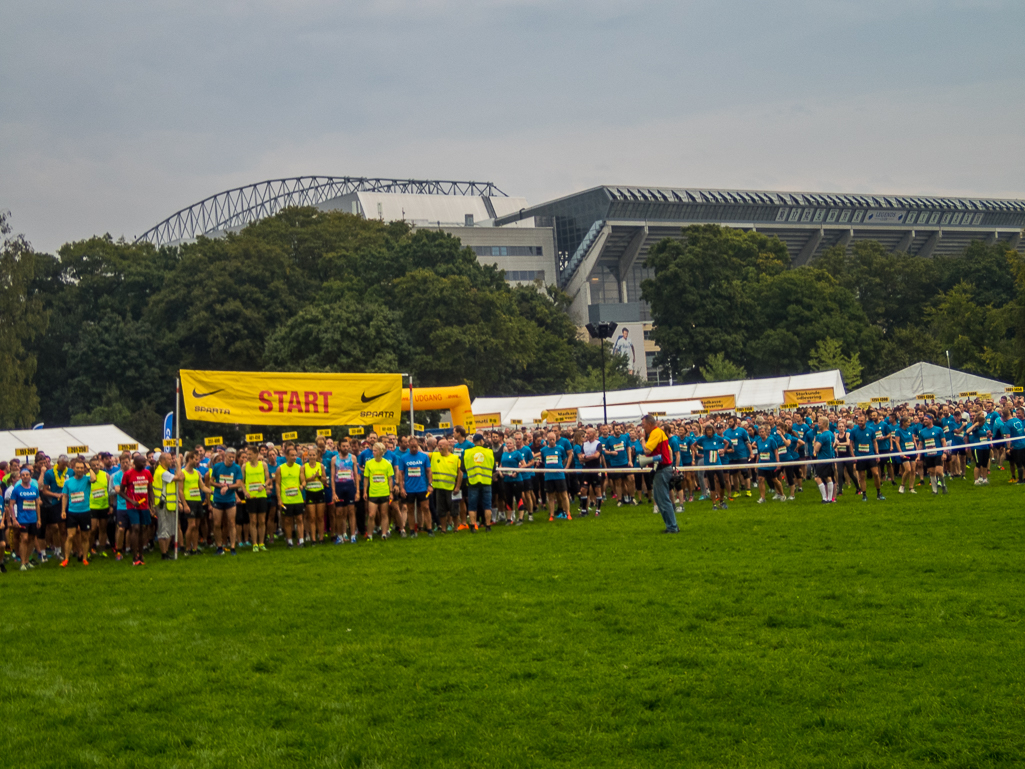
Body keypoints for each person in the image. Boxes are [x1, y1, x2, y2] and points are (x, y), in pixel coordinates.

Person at [639, 414, 678, 533]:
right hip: (662, 468)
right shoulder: (659, 433)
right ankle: (670, 525)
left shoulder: (655, 433)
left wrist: (642, 440)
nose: (642, 427)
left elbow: (647, 450)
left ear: (650, 424)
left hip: (661, 469)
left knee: (663, 499)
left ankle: (672, 527)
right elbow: (669, 450)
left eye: (643, 424)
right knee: (659, 497)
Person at [119, 453, 153, 567]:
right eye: (141, 462)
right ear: (135, 463)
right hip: (132, 506)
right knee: (135, 528)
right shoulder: (128, 474)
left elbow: (150, 489)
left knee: (143, 529)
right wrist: (131, 501)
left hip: (144, 506)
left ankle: (141, 554)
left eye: (144, 462)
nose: (144, 464)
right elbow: (121, 491)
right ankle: (134, 556)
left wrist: (151, 505)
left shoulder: (147, 473)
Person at [208, 448, 243, 555]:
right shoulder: (218, 466)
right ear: (225, 456)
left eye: (233, 457)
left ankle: (232, 547)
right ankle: (219, 547)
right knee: (217, 523)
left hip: (230, 498)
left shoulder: (236, 468)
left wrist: (227, 487)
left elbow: (238, 484)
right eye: (229, 457)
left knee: (232, 523)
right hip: (218, 498)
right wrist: (219, 485)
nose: (231, 459)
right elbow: (211, 481)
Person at [61, 458, 94, 567]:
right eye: (77, 468)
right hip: (72, 512)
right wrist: (63, 511)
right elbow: (65, 496)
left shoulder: (87, 479)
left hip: (85, 511)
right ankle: (66, 559)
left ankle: (85, 558)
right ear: (73, 468)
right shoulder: (68, 481)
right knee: (70, 536)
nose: (79, 470)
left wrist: (89, 468)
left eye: (81, 468)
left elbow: (94, 479)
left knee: (85, 536)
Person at [151, 451, 183, 560]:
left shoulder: (164, 471)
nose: (172, 461)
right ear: (163, 460)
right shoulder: (162, 472)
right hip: (163, 504)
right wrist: (179, 465)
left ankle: (166, 552)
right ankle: (164, 554)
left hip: (169, 504)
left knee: (169, 529)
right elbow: (179, 477)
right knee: (163, 530)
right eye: (170, 459)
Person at [397, 437, 431, 537]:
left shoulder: (424, 457)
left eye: (415, 447)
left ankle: (429, 529)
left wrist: (430, 484)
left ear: (418, 446)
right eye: (412, 447)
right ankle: (412, 531)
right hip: (409, 488)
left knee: (426, 508)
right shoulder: (404, 458)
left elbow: (428, 471)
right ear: (409, 446)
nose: (414, 449)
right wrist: (402, 488)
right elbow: (401, 473)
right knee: (410, 509)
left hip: (422, 488)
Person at [7, 466, 39, 571]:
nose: (25, 477)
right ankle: (22, 562)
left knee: (31, 539)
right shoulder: (16, 490)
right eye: (23, 475)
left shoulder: (34, 489)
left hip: (33, 518)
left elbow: (37, 504)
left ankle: (27, 560)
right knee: (24, 538)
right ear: (20, 477)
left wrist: (39, 519)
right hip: (22, 518)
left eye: (27, 475)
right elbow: (11, 505)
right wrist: (14, 519)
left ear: (30, 476)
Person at [363, 442, 395, 541]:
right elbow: (366, 478)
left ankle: (384, 534)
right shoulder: (369, 463)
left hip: (384, 492)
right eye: (373, 450)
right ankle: (370, 535)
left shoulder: (387, 464)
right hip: (373, 493)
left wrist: (390, 492)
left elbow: (390, 479)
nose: (373, 452)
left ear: (381, 452)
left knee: (384, 514)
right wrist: (365, 491)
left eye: (375, 450)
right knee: (371, 514)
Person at [463, 433, 496, 531]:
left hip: (473, 481)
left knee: (472, 505)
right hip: (486, 481)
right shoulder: (489, 452)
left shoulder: (467, 452)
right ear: (482, 441)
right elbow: (494, 468)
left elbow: (463, 468)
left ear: (473, 442)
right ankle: (487, 526)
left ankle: (473, 526)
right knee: (487, 505)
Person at [850, 414, 886, 502]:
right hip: (859, 456)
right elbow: (851, 443)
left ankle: (879, 493)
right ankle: (864, 495)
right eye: (858, 421)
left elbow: (874, 442)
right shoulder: (854, 431)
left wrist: (877, 454)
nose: (859, 423)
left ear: (865, 421)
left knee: (876, 474)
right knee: (862, 476)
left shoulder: (871, 430)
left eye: (861, 421)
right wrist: (853, 455)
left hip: (870, 455)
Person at [539, 431, 572, 523]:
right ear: (547, 440)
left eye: (553, 439)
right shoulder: (544, 450)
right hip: (549, 476)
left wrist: (561, 467)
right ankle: (551, 515)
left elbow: (565, 459)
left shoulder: (560, 448)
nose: (552, 441)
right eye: (550, 440)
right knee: (550, 496)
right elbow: (543, 460)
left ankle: (568, 513)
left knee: (564, 495)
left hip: (559, 475)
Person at [182, 451, 211, 555]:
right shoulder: (182, 473)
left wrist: (211, 491)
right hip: (189, 501)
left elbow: (202, 486)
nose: (197, 461)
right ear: (189, 459)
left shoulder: (197, 472)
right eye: (195, 459)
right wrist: (184, 504)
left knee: (197, 525)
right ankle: (187, 548)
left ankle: (195, 548)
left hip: (197, 500)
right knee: (191, 525)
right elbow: (180, 490)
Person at [242, 446, 270, 553]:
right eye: (247, 454)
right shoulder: (245, 466)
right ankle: (254, 544)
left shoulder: (263, 465)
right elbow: (242, 481)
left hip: (261, 495)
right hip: (251, 496)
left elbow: (268, 479)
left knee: (262, 521)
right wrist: (245, 492)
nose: (248, 456)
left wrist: (263, 485)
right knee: (253, 521)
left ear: (256, 454)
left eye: (249, 454)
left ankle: (261, 543)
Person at [331, 438, 359, 543]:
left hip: (350, 485)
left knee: (351, 512)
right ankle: (340, 536)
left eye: (347, 446)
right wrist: (333, 493)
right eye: (344, 446)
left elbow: (356, 475)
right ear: (339, 447)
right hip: (339, 486)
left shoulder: (353, 458)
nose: (346, 448)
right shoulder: (334, 459)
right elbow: (333, 476)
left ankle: (353, 536)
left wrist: (357, 491)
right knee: (339, 512)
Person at [430, 439, 461, 533]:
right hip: (439, 488)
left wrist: (458, 487)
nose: (439, 447)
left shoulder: (455, 458)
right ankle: (443, 529)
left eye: (441, 445)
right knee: (441, 510)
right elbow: (422, 452)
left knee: (454, 510)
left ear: (447, 446)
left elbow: (460, 474)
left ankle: (456, 528)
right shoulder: (434, 455)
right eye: (438, 445)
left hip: (452, 488)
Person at [276, 446, 305, 546]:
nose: (294, 457)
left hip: (297, 499)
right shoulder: (280, 468)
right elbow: (277, 484)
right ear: (286, 456)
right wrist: (279, 499)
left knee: (299, 519)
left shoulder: (299, 467)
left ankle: (301, 540)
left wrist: (302, 485)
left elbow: (303, 481)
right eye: (292, 455)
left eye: (295, 455)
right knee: (288, 520)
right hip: (286, 499)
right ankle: (289, 540)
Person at [302, 446, 327, 546]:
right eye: (310, 455)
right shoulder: (304, 467)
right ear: (307, 456)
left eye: (314, 455)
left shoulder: (320, 466)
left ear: (317, 456)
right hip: (310, 493)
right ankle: (313, 539)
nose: (312, 457)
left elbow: (325, 480)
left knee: (320, 517)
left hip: (320, 492)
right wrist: (313, 477)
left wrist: (319, 476)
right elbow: (303, 481)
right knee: (312, 517)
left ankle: (321, 538)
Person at [918, 414, 948, 495]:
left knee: (939, 472)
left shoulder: (938, 430)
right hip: (928, 454)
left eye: (926, 419)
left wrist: (944, 452)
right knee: (931, 472)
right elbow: (920, 444)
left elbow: (943, 441)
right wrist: (918, 456)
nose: (924, 421)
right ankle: (934, 490)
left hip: (938, 453)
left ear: (931, 420)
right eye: (924, 420)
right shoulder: (922, 432)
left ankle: (943, 485)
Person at [812, 416, 837, 504]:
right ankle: (830, 498)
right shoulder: (831, 434)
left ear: (825, 424)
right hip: (829, 459)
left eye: (819, 423)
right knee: (828, 478)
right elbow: (834, 444)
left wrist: (814, 443)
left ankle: (825, 498)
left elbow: (817, 449)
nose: (818, 425)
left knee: (817, 478)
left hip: (822, 459)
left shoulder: (821, 436)